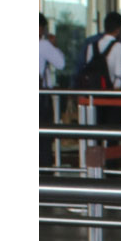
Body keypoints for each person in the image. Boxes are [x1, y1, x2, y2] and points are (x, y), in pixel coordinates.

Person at [39, 12, 65, 168]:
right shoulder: (43, 45)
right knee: (43, 138)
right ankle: (44, 172)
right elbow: (61, 63)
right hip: (40, 99)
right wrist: (54, 46)